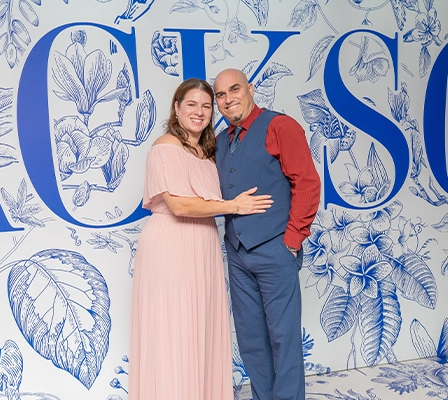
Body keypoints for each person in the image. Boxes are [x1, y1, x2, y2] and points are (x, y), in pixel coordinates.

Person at [128, 78, 273, 400]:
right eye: (191, 104)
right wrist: (235, 206)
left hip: (203, 244)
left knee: (199, 328)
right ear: (176, 108)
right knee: (173, 329)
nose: (199, 111)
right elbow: (179, 204)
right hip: (171, 244)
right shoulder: (164, 147)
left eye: (206, 106)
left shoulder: (208, 152)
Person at [213, 68, 321, 400]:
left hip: (275, 248)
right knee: (250, 337)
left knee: (283, 336)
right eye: (220, 95)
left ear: (250, 88)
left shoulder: (280, 126)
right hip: (237, 252)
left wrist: (292, 240)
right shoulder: (220, 141)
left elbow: (306, 182)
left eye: (234, 89)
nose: (228, 98)